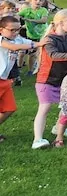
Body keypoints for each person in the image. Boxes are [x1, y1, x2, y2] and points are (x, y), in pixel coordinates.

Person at [31, 9, 67, 149]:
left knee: (66, 106)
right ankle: (37, 139)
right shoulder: (49, 40)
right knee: (44, 108)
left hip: (64, 79)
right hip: (46, 80)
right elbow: (54, 56)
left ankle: (58, 127)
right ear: (60, 23)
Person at [0, 15, 50, 143]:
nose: (16, 33)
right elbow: (13, 48)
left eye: (17, 29)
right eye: (12, 30)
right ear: (1, 29)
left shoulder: (18, 39)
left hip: (5, 80)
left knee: (9, 109)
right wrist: (39, 44)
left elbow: (29, 43)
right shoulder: (1, 39)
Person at [18, 0, 48, 75]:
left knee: (38, 53)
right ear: (31, 1)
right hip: (31, 35)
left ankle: (40, 68)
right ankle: (30, 70)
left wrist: (29, 20)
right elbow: (16, 16)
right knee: (31, 54)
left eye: (40, 0)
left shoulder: (43, 10)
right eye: (36, 0)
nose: (38, 2)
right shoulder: (26, 10)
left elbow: (43, 20)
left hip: (42, 35)